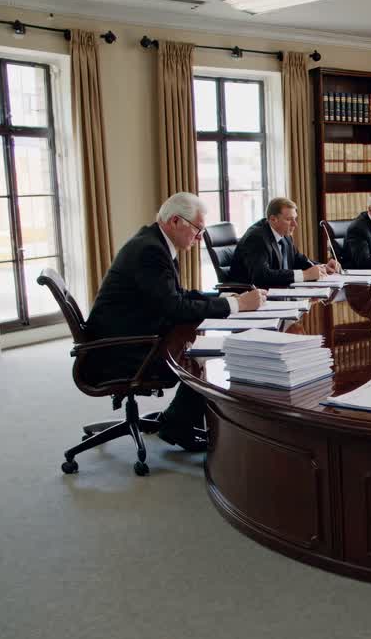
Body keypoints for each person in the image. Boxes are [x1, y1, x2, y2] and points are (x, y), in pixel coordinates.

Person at [85, 192, 265, 451]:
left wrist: (225, 297)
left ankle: (177, 420)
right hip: (120, 349)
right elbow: (174, 307)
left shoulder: (155, 242)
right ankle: (178, 424)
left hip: (130, 332)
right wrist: (236, 305)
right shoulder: (150, 250)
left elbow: (175, 296)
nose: (201, 237)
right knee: (205, 355)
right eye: (198, 229)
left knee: (197, 345)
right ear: (175, 221)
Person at [226, 197, 340, 287]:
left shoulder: (285, 235)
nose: (295, 224)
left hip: (278, 293)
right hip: (249, 297)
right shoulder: (257, 238)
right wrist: (305, 275)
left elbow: (297, 259)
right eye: (289, 219)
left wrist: (322, 267)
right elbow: (261, 276)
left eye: (295, 218)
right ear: (273, 219)